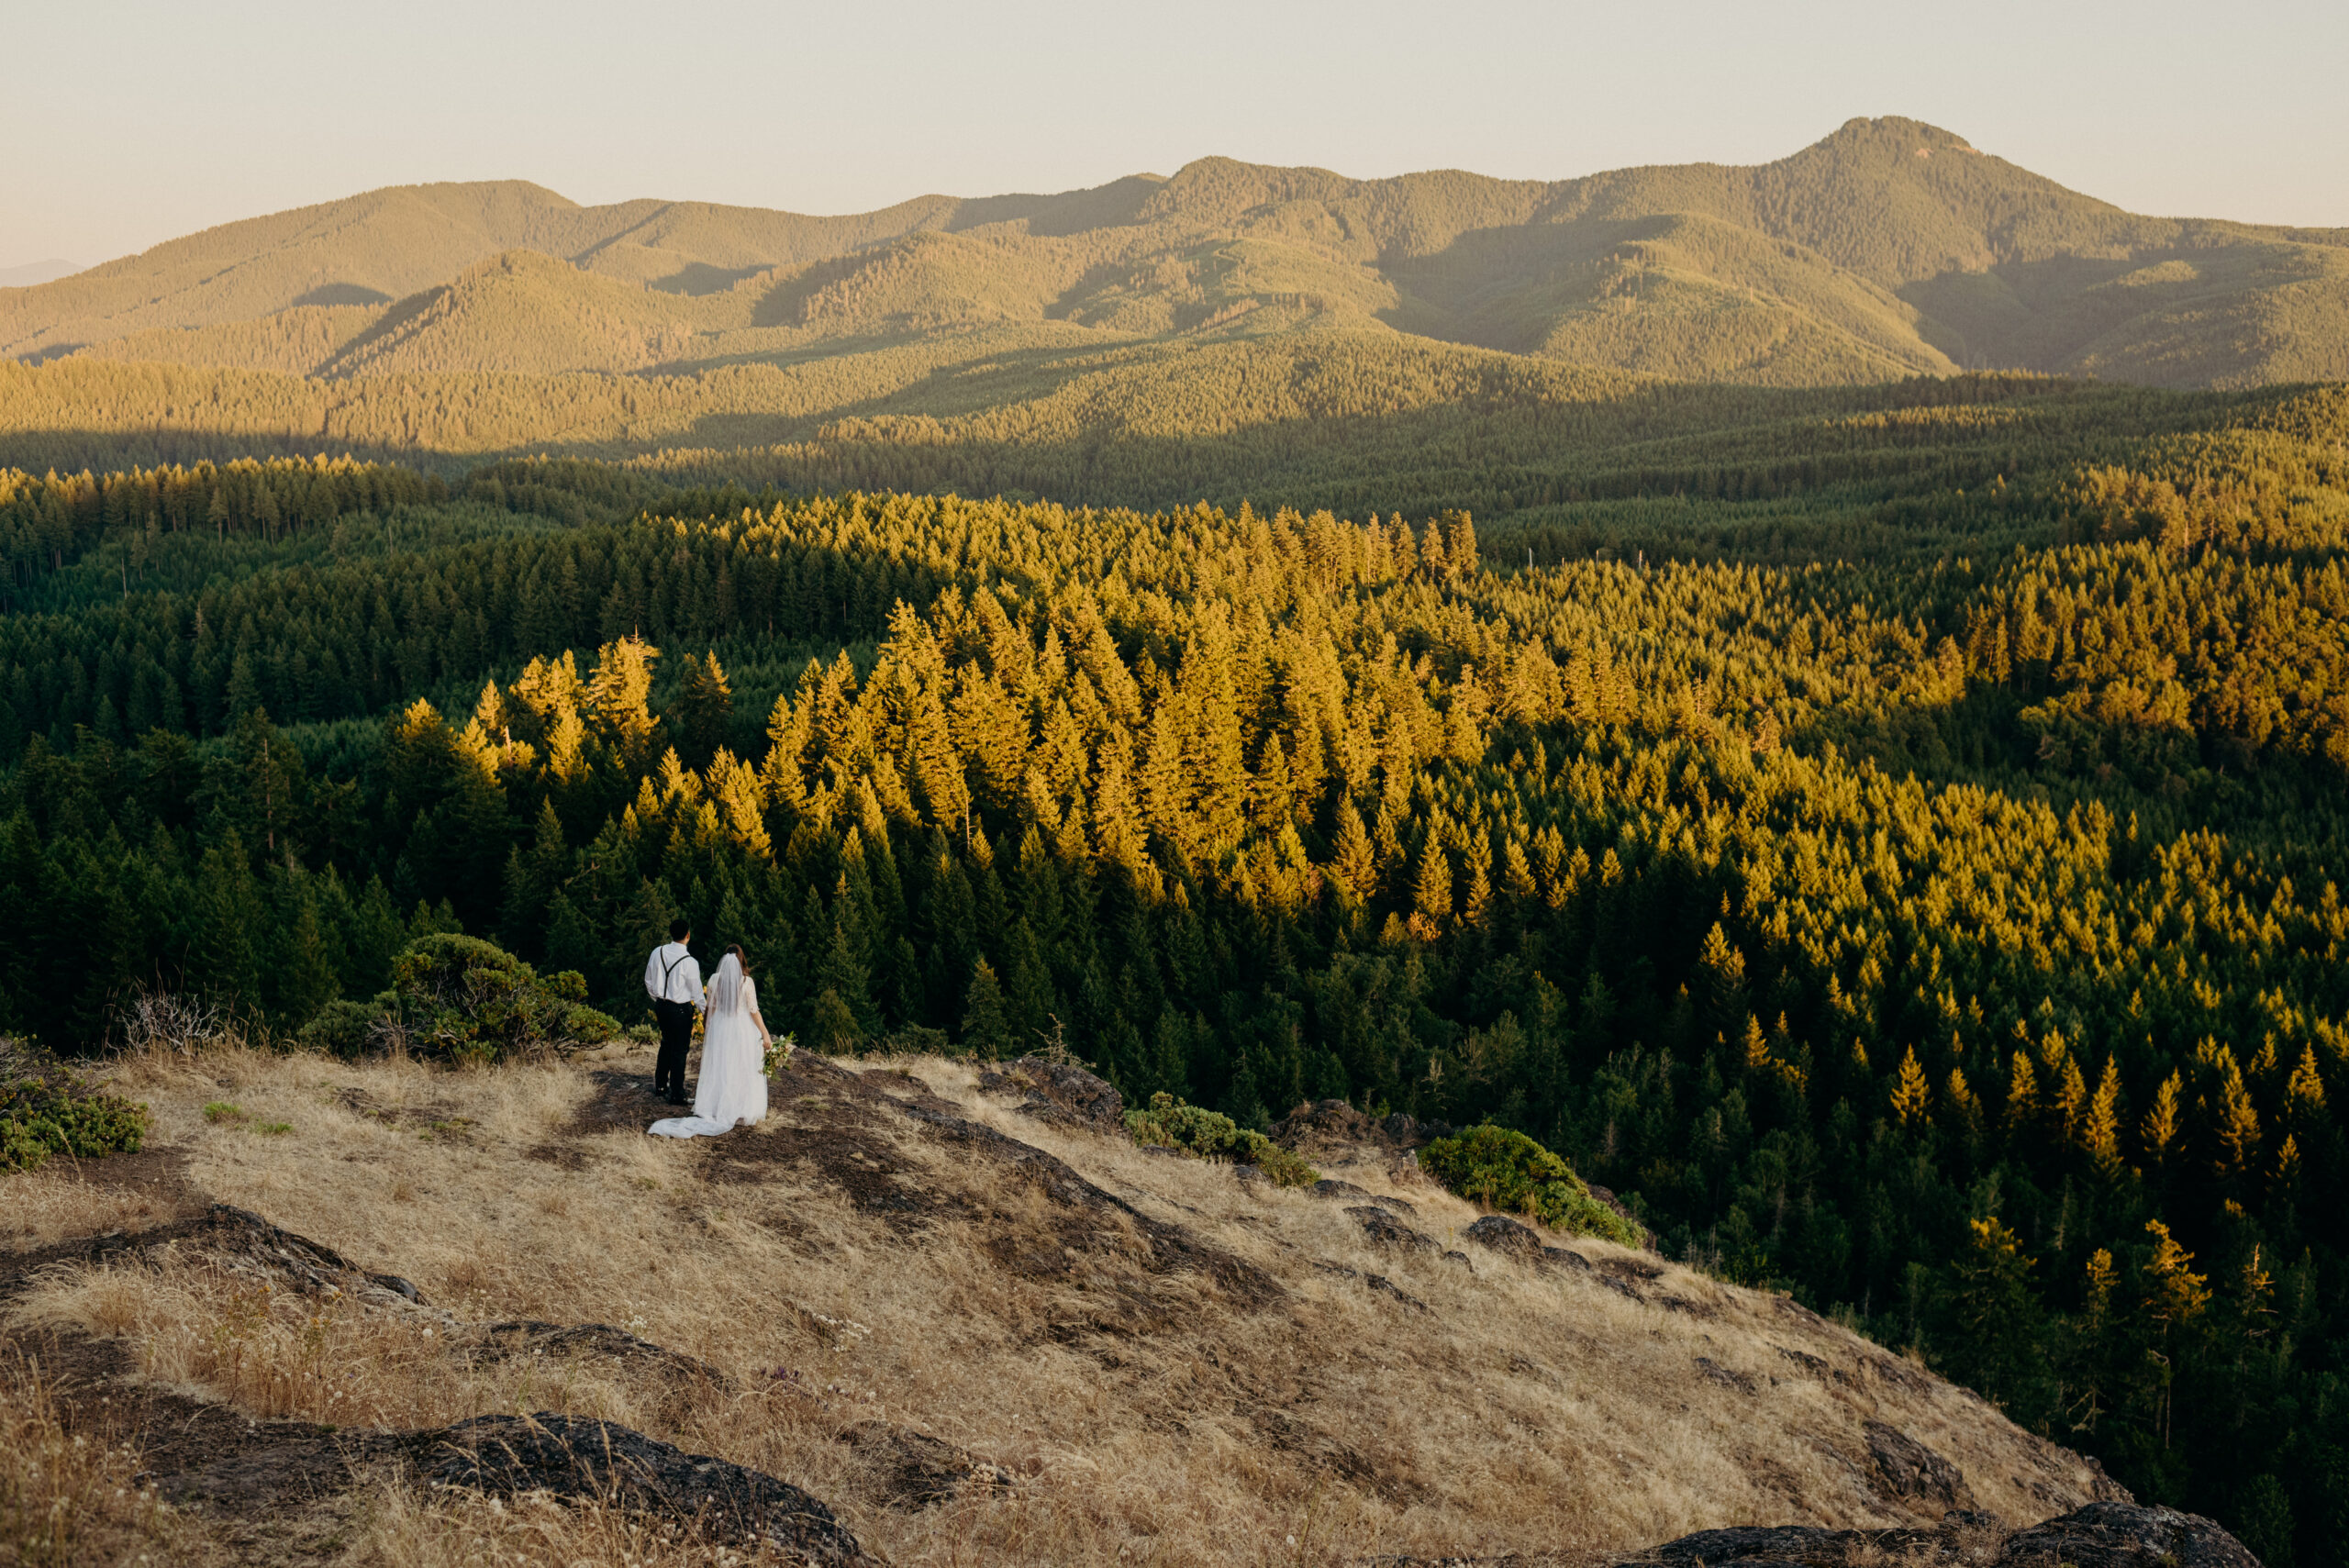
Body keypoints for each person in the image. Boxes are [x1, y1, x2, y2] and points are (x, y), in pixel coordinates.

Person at [651, 946, 770, 1139]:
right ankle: (739, 1107)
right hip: (741, 1029)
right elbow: (754, 1011)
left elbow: (710, 1009)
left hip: (721, 1028)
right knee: (741, 1066)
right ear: (741, 960)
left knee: (721, 1066)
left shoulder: (714, 980)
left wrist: (709, 1030)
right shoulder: (747, 982)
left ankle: (717, 1105)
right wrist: (765, 1033)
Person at [643, 918, 701, 1106]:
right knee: (680, 1050)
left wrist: (658, 999)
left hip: (661, 1006)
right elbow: (697, 994)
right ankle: (677, 1093)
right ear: (688, 935)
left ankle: (660, 1085)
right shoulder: (690, 962)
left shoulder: (657, 952)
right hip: (681, 1009)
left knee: (666, 1043)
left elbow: (648, 981)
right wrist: (707, 1012)